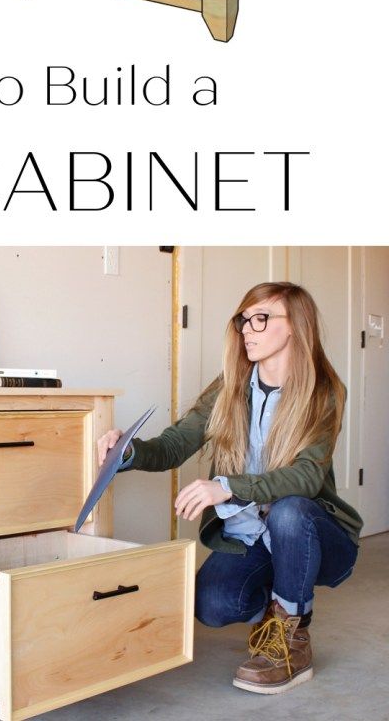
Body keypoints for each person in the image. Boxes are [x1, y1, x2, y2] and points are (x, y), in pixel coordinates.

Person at [97, 281, 362, 695]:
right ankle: (275, 611)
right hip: (252, 536)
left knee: (290, 509)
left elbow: (307, 477)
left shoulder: (324, 391)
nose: (247, 329)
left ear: (296, 326)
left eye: (262, 318)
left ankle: (292, 638)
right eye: (243, 320)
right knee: (211, 604)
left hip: (314, 536)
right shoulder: (229, 387)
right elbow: (172, 446)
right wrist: (127, 452)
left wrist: (227, 487)